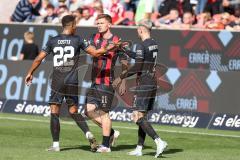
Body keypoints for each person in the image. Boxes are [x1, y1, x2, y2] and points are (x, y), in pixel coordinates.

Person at [25, 15, 118, 152]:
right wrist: (111, 47)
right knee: (73, 111)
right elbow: (96, 53)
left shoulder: (53, 40)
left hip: (57, 81)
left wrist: (30, 73)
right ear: (73, 25)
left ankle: (56, 145)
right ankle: (88, 133)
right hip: (73, 82)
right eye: (76, 24)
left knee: (54, 112)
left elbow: (39, 59)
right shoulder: (78, 39)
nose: (77, 27)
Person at [113, 19, 167, 158]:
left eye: (138, 28)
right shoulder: (153, 43)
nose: (137, 30)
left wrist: (122, 76)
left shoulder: (141, 45)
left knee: (136, 117)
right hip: (152, 82)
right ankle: (139, 148)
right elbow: (140, 58)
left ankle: (159, 141)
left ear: (141, 29)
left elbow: (138, 66)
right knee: (142, 116)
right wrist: (123, 49)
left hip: (144, 83)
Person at [84, 14, 128, 153]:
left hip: (106, 82)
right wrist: (108, 48)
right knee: (89, 111)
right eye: (97, 23)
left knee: (104, 113)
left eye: (101, 23)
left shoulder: (116, 40)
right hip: (94, 82)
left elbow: (125, 63)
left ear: (109, 24)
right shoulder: (93, 37)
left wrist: (122, 80)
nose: (99, 25)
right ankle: (112, 132)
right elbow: (93, 53)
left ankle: (106, 146)